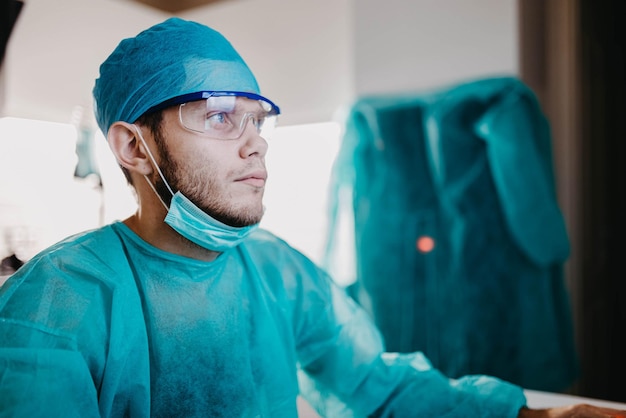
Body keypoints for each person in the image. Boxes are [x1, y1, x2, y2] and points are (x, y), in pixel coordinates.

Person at [0, 17, 623, 418]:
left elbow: (379, 386)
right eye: (219, 115)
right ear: (135, 147)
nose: (256, 144)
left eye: (256, 118)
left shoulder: (272, 269)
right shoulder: (54, 307)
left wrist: (537, 416)